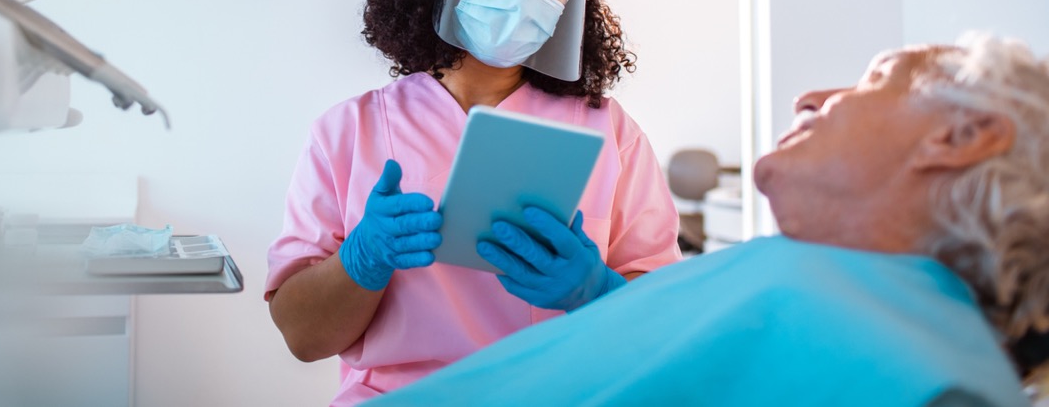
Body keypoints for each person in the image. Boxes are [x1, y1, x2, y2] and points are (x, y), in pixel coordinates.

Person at [368, 33, 1049, 406]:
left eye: (876, 79)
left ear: (960, 139)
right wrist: (597, 295)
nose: (810, 95)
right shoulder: (823, 283)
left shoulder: (934, 380)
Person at [264, 0, 682, 405]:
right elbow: (303, 337)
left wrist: (595, 292)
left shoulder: (610, 132)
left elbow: (663, 324)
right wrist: (361, 260)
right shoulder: (348, 131)